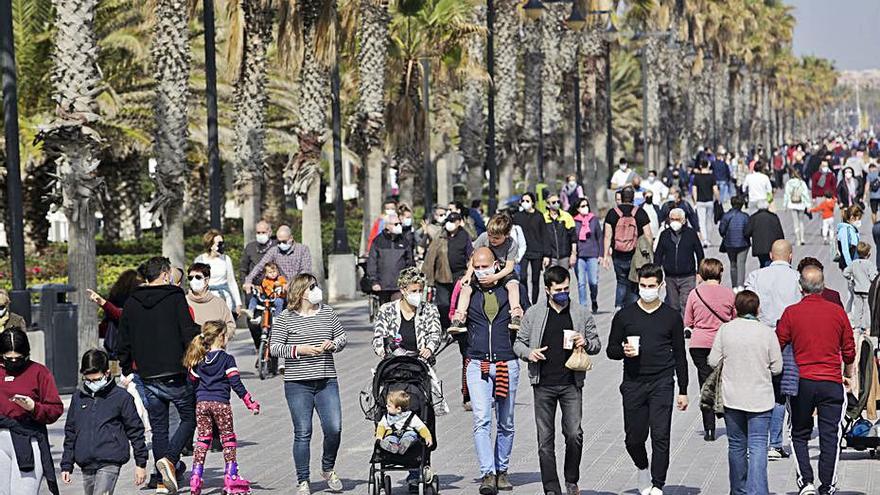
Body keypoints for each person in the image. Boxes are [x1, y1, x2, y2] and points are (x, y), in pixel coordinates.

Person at [513, 266, 601, 495]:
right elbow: (518, 343)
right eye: (558, 289)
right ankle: (551, 488)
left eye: (566, 288)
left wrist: (585, 342)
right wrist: (529, 353)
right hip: (543, 384)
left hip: (571, 382)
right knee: (545, 440)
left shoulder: (581, 313)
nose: (563, 293)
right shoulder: (534, 313)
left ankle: (571, 479)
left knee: (574, 434)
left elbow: (596, 344)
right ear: (547, 290)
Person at [117, 256, 200, 494]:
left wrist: (125, 367)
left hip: (146, 373)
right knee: (189, 417)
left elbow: (124, 338)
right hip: (174, 370)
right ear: (165, 274)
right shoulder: (175, 297)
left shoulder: (132, 301)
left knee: (159, 426)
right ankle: (170, 460)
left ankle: (164, 482)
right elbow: (187, 331)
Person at [607, 264, 688, 495]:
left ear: (661, 286)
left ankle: (658, 484)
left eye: (651, 286)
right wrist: (623, 350)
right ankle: (643, 467)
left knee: (661, 435)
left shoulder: (671, 316)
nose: (647, 289)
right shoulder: (625, 315)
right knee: (634, 438)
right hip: (633, 382)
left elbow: (680, 355)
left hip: (662, 381)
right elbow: (611, 350)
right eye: (643, 285)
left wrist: (683, 389)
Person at [777, 266, 856, 495]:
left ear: (800, 286)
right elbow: (849, 349)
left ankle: (806, 482)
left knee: (798, 432)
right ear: (822, 286)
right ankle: (828, 485)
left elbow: (778, 343)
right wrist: (848, 373)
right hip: (831, 381)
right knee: (831, 434)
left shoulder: (791, 313)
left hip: (801, 382)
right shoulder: (837, 312)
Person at [268, 274, 346, 495]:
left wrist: (333, 344)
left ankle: (327, 467)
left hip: (326, 380)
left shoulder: (328, 312)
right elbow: (274, 348)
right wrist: (297, 350)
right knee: (303, 431)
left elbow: (342, 337)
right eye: (312, 287)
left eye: (316, 286)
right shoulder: (285, 318)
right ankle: (303, 479)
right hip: (297, 383)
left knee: (334, 427)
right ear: (301, 292)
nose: (316, 290)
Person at [462, 247, 528, 495]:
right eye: (476, 267)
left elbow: (526, 320)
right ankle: (487, 473)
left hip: (506, 361)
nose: (481, 272)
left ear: (496, 264)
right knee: (481, 419)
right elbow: (453, 317)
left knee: (506, 421)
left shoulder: (510, 287)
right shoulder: (469, 288)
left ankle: (502, 470)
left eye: (485, 266)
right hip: (478, 363)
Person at [707, 290, 783, 495]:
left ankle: (738, 490)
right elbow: (777, 368)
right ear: (757, 309)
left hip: (733, 398)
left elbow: (712, 361)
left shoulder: (726, 330)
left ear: (736, 309)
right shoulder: (767, 332)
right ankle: (758, 491)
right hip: (761, 398)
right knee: (758, 447)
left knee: (736, 446)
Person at [183, 321, 260, 495]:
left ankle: (195, 477)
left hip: (202, 404)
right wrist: (250, 402)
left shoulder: (198, 358)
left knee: (203, 439)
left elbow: (192, 382)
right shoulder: (227, 359)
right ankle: (231, 476)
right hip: (221, 404)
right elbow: (236, 384)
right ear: (221, 337)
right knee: (228, 439)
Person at [60, 349, 148, 495]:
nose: (92, 383)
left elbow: (135, 430)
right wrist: (66, 464)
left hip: (110, 458)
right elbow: (71, 432)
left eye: (96, 379)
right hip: (86, 461)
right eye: (88, 380)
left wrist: (141, 463)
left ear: (107, 373)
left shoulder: (121, 397)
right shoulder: (78, 397)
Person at [744, 240, 800, 461]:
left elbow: (746, 305)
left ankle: (754, 441)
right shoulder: (797, 278)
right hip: (787, 342)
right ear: (790, 256)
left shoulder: (756, 276)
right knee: (780, 392)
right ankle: (775, 444)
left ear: (770, 255)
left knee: (758, 389)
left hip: (759, 338)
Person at [372, 267, 448, 419]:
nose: (418, 295)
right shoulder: (387, 310)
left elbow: (435, 333)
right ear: (403, 290)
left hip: (419, 365)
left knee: (423, 406)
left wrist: (429, 348)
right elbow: (378, 337)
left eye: (420, 290)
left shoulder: (429, 309)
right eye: (414, 291)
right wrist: (384, 350)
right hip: (394, 366)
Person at [0, 328, 63, 495]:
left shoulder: (39, 372)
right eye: (8, 358)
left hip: (28, 439)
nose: (13, 362)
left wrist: (34, 408)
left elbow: (55, 409)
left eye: (18, 358)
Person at [684, 258, 735, 441]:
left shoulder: (694, 294)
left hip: (699, 345)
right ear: (720, 273)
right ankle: (730, 421)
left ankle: (709, 429)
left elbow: (688, 321)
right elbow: (734, 318)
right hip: (722, 344)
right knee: (724, 383)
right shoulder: (729, 294)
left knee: (705, 384)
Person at [452, 214, 524, 332]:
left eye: (496, 238)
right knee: (466, 288)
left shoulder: (511, 244)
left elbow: (509, 267)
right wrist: (468, 275)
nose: (492, 240)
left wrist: (494, 277)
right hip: (483, 268)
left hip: (502, 271)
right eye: (490, 236)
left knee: (513, 286)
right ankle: (459, 318)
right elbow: (473, 259)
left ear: (506, 235)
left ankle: (516, 314)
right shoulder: (483, 238)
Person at [602, 187, 653, 310]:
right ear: (633, 198)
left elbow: (607, 236)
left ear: (621, 197)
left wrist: (605, 256)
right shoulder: (640, 212)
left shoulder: (612, 213)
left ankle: (618, 307)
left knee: (621, 281)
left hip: (618, 254)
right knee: (634, 282)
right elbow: (648, 236)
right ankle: (634, 309)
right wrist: (649, 254)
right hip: (636, 256)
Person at [653, 208, 704, 316]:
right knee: (673, 305)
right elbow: (658, 255)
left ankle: (686, 329)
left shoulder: (691, 234)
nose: (674, 222)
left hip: (688, 276)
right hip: (670, 277)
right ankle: (675, 328)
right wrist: (656, 275)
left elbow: (700, 254)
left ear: (684, 220)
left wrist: (700, 273)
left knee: (685, 304)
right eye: (672, 219)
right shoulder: (665, 234)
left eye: (677, 219)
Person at [243, 225, 313, 295]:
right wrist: (248, 280)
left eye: (284, 242)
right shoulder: (274, 250)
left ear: (291, 238)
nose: (281, 244)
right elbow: (260, 265)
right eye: (279, 242)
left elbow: (305, 271)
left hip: (300, 289)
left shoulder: (303, 249)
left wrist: (292, 284)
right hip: (282, 291)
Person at [367, 213, 416, 305]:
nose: (399, 226)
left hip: (399, 286)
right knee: (385, 312)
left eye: (399, 224)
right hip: (382, 286)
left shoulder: (404, 241)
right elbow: (372, 262)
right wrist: (374, 281)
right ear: (387, 226)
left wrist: (410, 280)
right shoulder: (378, 241)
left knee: (397, 310)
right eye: (396, 224)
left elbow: (410, 262)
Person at [194, 229, 242, 316]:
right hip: (207, 298)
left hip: (224, 298)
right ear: (211, 245)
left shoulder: (226, 259)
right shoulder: (200, 260)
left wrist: (238, 303)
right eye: (218, 243)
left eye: (222, 243)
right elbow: (196, 283)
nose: (221, 246)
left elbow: (231, 282)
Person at [185, 263, 237, 339]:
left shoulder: (219, 303)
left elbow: (230, 326)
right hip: (191, 349)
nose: (194, 280)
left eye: (198, 277)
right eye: (190, 278)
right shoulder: (183, 302)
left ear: (206, 280)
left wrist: (219, 338)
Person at [513, 192, 547, 304]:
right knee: (522, 277)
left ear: (533, 202)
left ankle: (535, 302)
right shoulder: (518, 216)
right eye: (523, 201)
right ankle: (526, 300)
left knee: (535, 279)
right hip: (522, 252)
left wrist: (546, 254)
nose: (525, 203)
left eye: (527, 201)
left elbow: (544, 235)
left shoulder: (539, 216)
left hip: (537, 251)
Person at [572, 197, 603, 312]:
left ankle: (594, 299)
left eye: (586, 206)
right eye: (582, 206)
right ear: (577, 209)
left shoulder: (593, 219)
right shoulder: (574, 221)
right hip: (579, 255)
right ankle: (583, 307)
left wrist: (601, 254)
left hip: (592, 254)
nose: (585, 208)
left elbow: (599, 237)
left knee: (593, 281)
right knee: (581, 282)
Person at [239, 220, 276, 308]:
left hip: (272, 287)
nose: (260, 235)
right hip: (253, 287)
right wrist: (245, 283)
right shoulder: (250, 247)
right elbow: (243, 268)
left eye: (263, 232)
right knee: (252, 314)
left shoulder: (276, 246)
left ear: (270, 232)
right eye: (258, 232)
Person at [843, 242, 878, 332]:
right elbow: (873, 277)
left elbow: (845, 272)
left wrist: (851, 278)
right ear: (868, 254)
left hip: (857, 290)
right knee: (867, 309)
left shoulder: (854, 263)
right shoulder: (870, 264)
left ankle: (857, 326)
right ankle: (867, 327)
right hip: (867, 291)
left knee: (858, 309)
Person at [719, 196, 750, 289]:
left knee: (733, 264)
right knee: (741, 263)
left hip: (730, 243)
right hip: (743, 243)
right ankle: (740, 285)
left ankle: (734, 286)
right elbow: (748, 231)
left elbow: (722, 230)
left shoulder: (726, 216)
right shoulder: (745, 216)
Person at [745, 200, 784, 268]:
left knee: (763, 262)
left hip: (759, 246)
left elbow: (747, 232)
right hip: (771, 246)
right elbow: (779, 231)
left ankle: (764, 275)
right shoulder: (773, 217)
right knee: (769, 262)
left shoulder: (754, 217)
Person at [542, 194, 577, 269]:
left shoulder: (566, 216)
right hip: (551, 257)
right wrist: (545, 255)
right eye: (554, 202)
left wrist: (573, 254)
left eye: (558, 202)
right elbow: (542, 238)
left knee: (564, 279)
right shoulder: (543, 218)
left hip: (565, 256)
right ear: (548, 205)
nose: (557, 204)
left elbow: (573, 237)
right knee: (552, 279)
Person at [691, 159, 719, 247]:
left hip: (700, 201)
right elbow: (715, 190)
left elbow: (694, 190)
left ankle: (704, 240)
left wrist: (695, 201)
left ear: (700, 166)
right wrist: (718, 199)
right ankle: (708, 239)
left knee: (701, 222)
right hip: (710, 201)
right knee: (709, 221)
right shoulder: (711, 177)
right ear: (708, 166)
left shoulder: (697, 177)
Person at [783, 169, 811, 246]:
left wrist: (785, 205)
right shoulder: (802, 183)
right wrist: (808, 205)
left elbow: (786, 194)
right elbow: (805, 195)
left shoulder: (789, 183)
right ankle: (802, 238)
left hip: (792, 204)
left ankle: (797, 239)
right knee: (801, 221)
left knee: (795, 222)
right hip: (801, 204)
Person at [836, 205, 862, 270]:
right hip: (849, 264)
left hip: (854, 262)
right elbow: (845, 250)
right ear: (852, 218)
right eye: (859, 219)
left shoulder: (852, 229)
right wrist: (851, 267)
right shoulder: (845, 230)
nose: (859, 221)